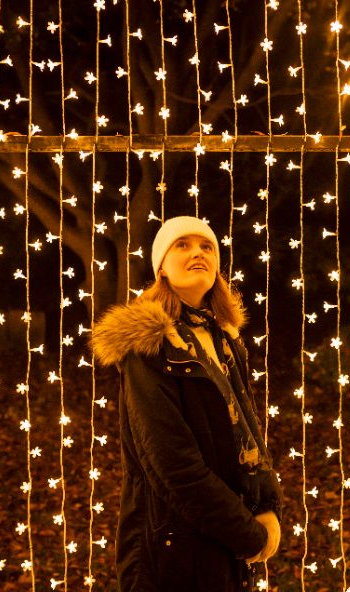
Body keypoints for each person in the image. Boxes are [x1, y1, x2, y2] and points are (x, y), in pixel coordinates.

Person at [91, 216, 282, 591]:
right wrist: (247, 533)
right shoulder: (150, 345)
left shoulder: (224, 342)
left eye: (207, 246)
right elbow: (173, 465)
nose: (198, 252)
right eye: (182, 245)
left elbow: (248, 434)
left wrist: (267, 505)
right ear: (161, 266)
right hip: (170, 548)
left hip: (220, 541)